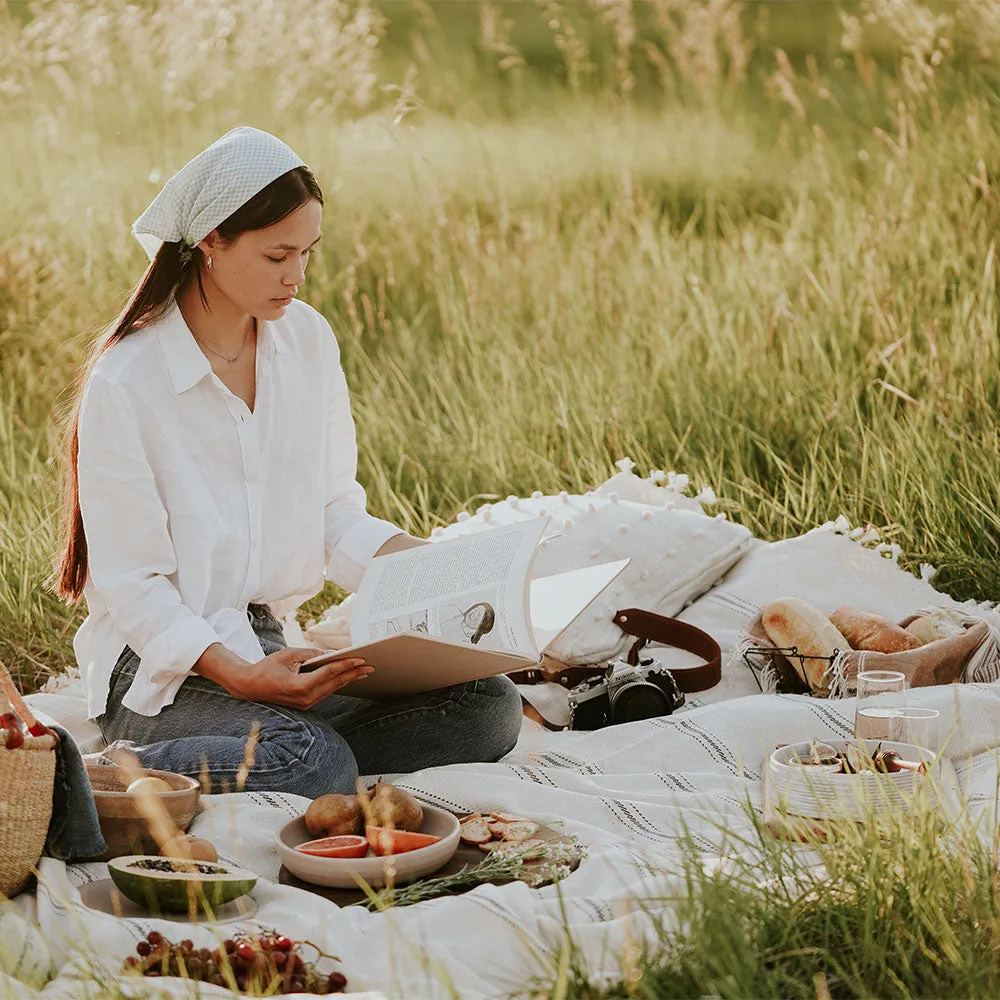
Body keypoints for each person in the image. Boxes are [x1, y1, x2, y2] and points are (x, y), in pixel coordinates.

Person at [53, 126, 523, 796]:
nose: (296, 276)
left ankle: (289, 756)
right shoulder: (127, 381)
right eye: (277, 254)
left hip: (266, 641)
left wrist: (434, 570)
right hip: (158, 667)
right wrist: (237, 675)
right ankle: (90, 777)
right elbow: (134, 588)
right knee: (313, 759)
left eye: (307, 253)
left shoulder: (307, 341)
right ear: (209, 241)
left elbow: (331, 513)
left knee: (487, 705)